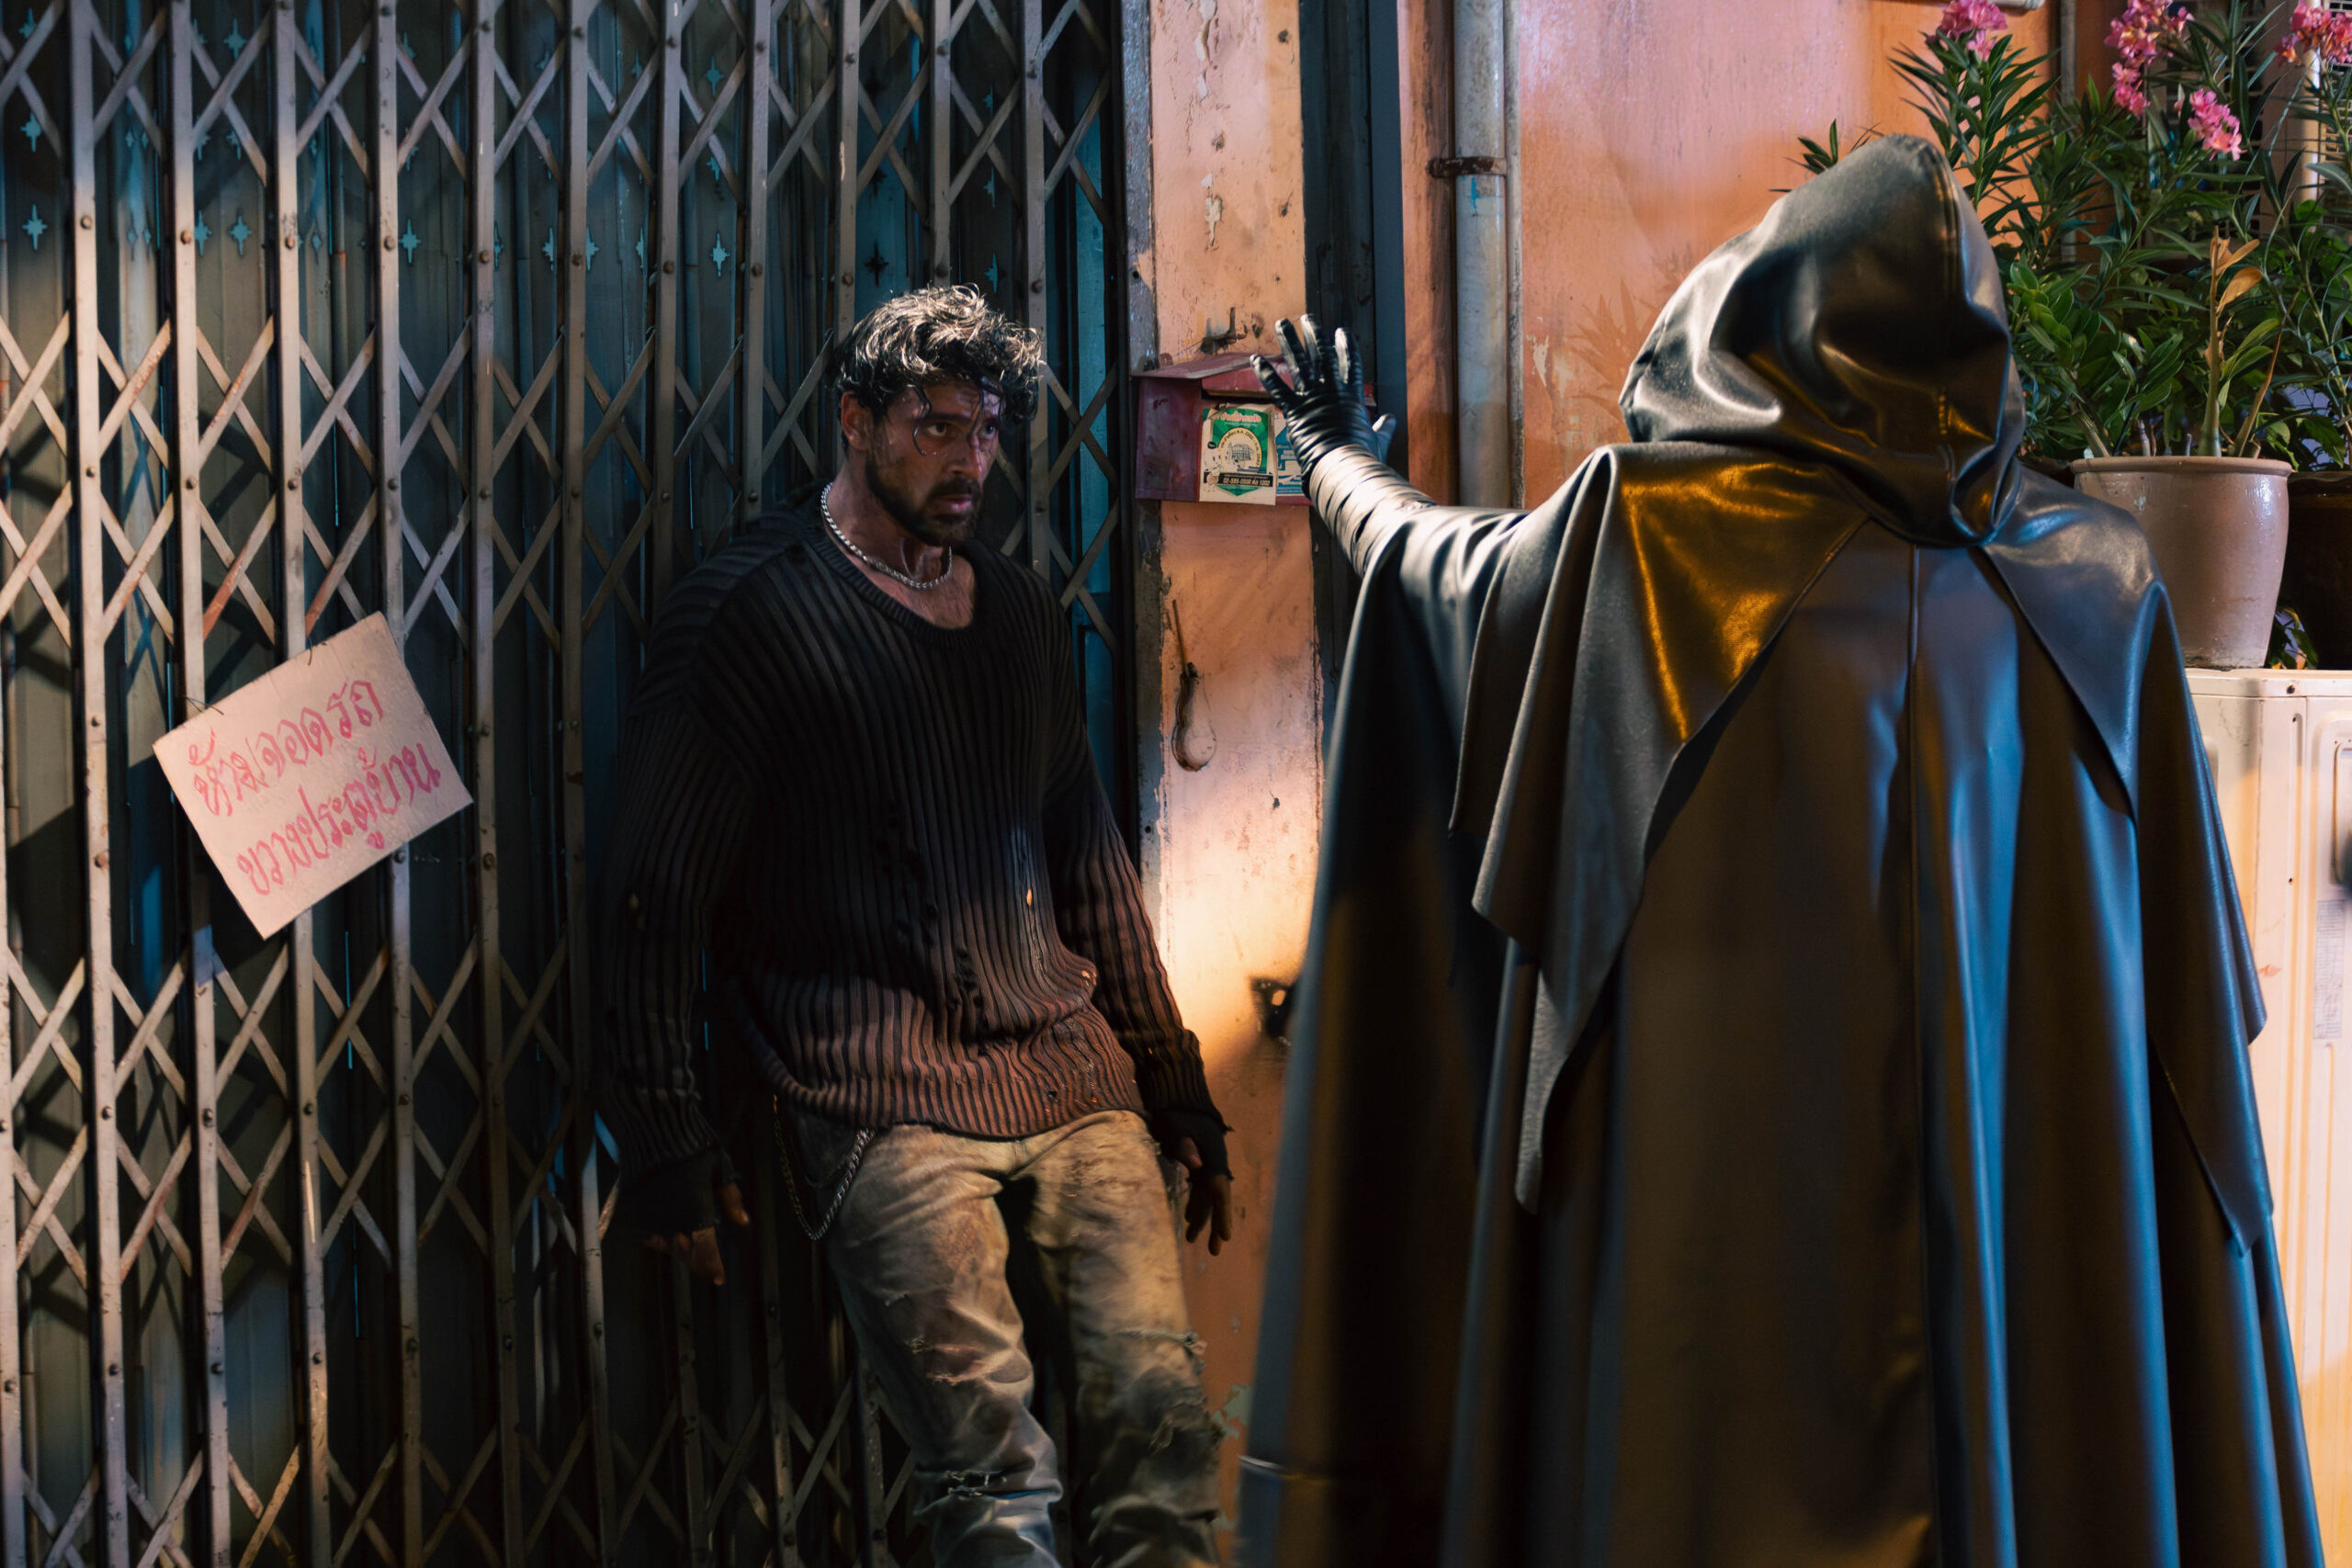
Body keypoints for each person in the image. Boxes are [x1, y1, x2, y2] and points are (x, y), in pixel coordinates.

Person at [1238, 137, 2322, 1567]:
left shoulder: (1645, 547)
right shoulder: (2100, 582)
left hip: (1714, 1286)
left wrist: (1334, 459)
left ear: (1757, 318)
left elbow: (1435, 567)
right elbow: (2176, 1037)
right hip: (2010, 1289)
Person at [597, 284, 1233, 1568]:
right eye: (935, 427)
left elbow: (1087, 862)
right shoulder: (751, 616)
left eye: (985, 430)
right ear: (855, 422)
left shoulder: (1016, 613)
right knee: (989, 1476)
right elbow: (653, 892)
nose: (969, 460)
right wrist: (664, 1136)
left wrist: (1172, 1078)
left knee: (1163, 1433)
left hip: (1072, 1077)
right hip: (882, 1096)